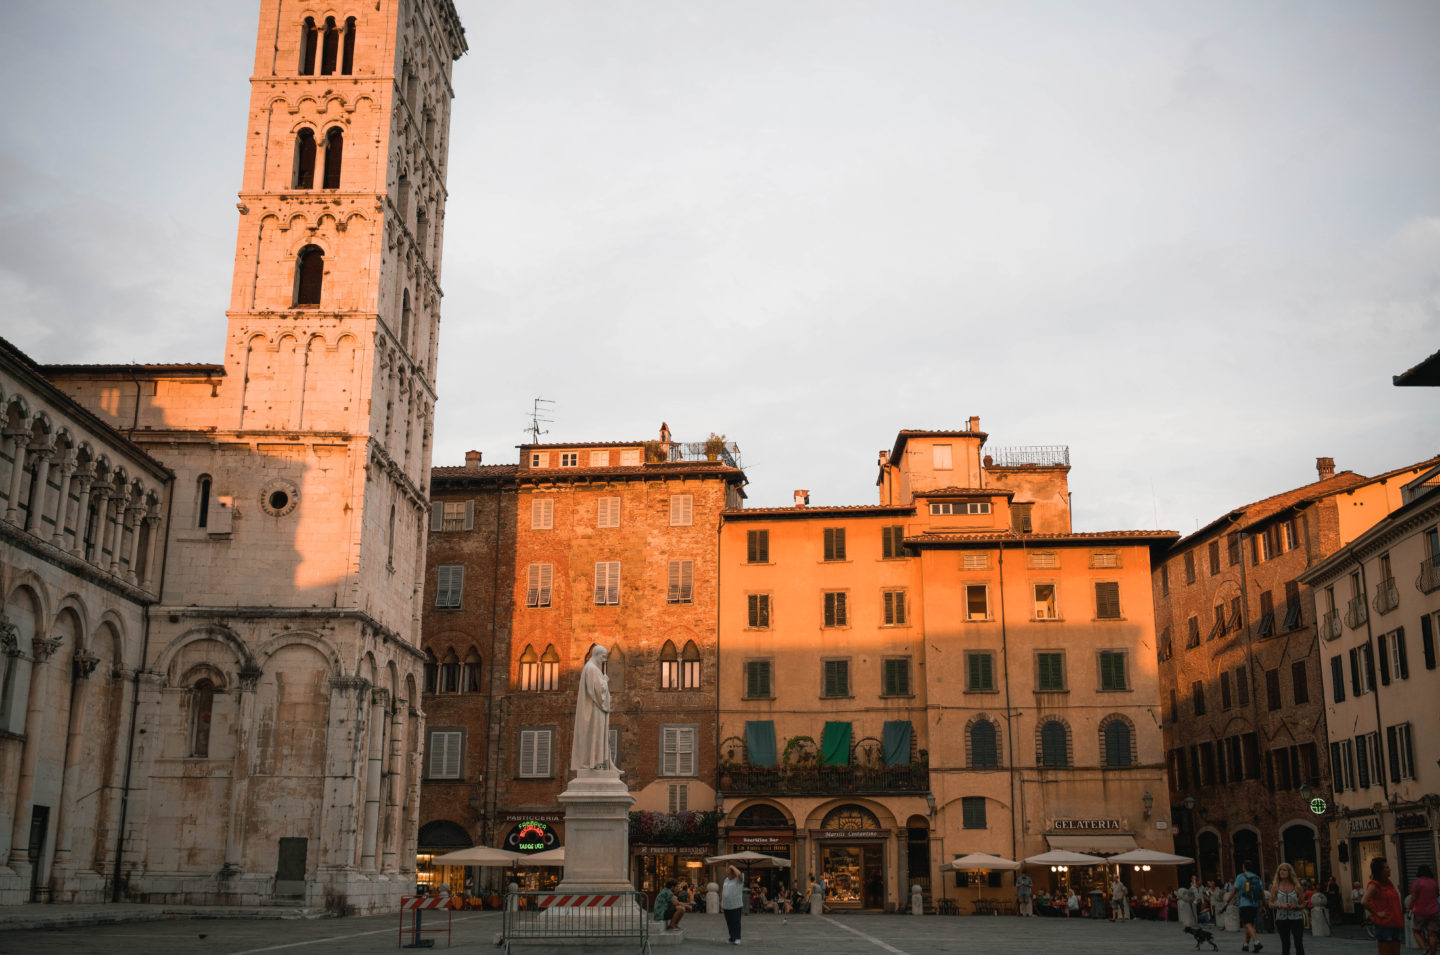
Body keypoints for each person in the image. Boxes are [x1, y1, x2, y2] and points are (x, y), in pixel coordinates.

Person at [570, 645, 611, 774]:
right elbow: (597, 691)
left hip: (594, 708)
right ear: (596, 654)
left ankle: (595, 762)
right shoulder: (592, 669)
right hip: (595, 709)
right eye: (603, 656)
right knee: (595, 733)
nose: (604, 660)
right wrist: (605, 681)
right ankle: (594, 762)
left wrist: (603, 680)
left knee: (595, 734)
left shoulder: (590, 668)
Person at [1362, 858, 1404, 955]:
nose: (1389, 869)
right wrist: (1377, 913)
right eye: (1386, 868)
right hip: (1384, 923)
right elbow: (1364, 901)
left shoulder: (1389, 884)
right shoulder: (1374, 885)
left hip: (1395, 922)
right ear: (1380, 870)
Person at [1226, 859, 1265, 952]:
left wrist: (1227, 901)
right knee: (1249, 924)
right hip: (1255, 904)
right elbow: (1261, 892)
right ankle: (1246, 945)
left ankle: (1257, 942)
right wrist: (1263, 904)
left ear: (1244, 867)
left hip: (1244, 903)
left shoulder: (1240, 877)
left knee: (1247, 924)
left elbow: (1234, 891)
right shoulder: (1257, 877)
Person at [1269, 863, 1306, 955]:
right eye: (1280, 870)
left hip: (1296, 918)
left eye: (1284, 870)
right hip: (1281, 919)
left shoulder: (1297, 887)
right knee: (1285, 945)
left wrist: (1295, 907)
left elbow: (1303, 904)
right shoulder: (1275, 887)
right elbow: (1270, 904)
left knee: (1298, 943)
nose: (1282, 872)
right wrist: (1281, 905)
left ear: (1289, 872)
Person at [1408, 863, 1438, 955]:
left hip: (1420, 912)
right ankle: (1433, 953)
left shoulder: (1417, 883)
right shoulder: (1434, 882)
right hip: (1433, 911)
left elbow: (1413, 898)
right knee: (1432, 934)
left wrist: (1408, 908)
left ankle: (1425, 949)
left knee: (1416, 931)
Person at [722, 864, 745, 945]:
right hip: (726, 905)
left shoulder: (739, 879)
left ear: (733, 873)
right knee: (729, 922)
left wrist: (731, 866)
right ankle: (732, 938)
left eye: (729, 873)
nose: (727, 875)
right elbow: (724, 891)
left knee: (736, 922)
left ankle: (737, 938)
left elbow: (739, 874)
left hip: (735, 905)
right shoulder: (726, 880)